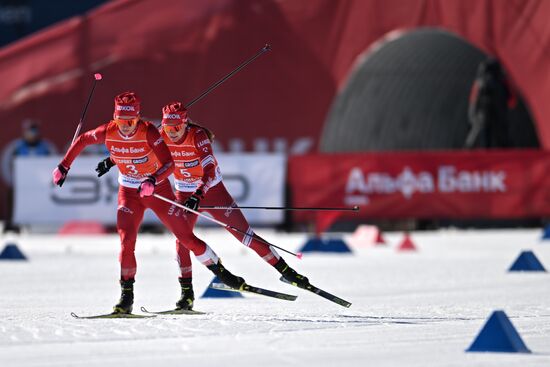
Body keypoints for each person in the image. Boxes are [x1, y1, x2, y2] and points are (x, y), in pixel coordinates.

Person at [96, 101, 310, 310]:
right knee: (182, 240)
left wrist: (198, 194)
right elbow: (136, 151)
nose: (172, 133)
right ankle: (187, 294)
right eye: (168, 128)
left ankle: (288, 273)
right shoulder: (159, 135)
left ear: (186, 124)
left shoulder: (197, 136)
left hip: (212, 192)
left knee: (244, 235)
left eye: (177, 128)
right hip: (183, 192)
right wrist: (111, 160)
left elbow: (208, 171)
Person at [52, 92, 246, 314]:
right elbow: (83, 140)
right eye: (122, 122)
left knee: (185, 237)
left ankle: (222, 274)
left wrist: (154, 179)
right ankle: (126, 297)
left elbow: (169, 164)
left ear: (138, 118)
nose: (126, 127)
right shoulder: (108, 131)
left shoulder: (150, 132)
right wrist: (64, 166)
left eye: (131, 122)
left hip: (158, 191)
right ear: (114, 118)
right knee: (126, 240)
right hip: (129, 193)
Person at [1, 119, 56, 233]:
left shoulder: (44, 147)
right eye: (29, 132)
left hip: (40, 183)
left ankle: (46, 220)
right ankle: (12, 222)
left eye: (34, 131)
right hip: (24, 182)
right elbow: (13, 164)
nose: (32, 134)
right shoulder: (19, 147)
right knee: (12, 193)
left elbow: (50, 165)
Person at [465, 57, 517, 148]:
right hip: (498, 120)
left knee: (484, 142)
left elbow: (473, 102)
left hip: (484, 119)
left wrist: (473, 116)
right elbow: (512, 102)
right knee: (501, 141)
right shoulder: (502, 83)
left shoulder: (480, 83)